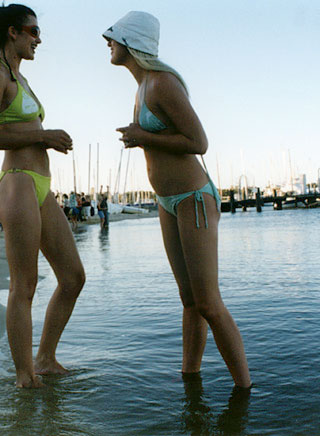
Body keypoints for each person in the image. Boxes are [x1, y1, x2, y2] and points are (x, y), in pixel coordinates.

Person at [103, 11, 251, 388]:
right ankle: (191, 379)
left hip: (193, 199)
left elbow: (198, 143)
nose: (108, 42)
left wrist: (142, 136)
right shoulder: (141, 87)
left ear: (132, 42)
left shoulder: (162, 83)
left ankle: (245, 391)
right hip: (167, 202)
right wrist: (140, 135)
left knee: (208, 303)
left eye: (113, 37)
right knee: (189, 301)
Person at [0, 4, 85, 388]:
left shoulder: (22, 79)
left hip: (41, 185)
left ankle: (45, 358)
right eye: (33, 32)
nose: (38, 39)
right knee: (24, 285)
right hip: (16, 182)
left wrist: (45, 138)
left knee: (73, 278)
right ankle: (24, 378)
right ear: (13, 32)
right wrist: (43, 135)